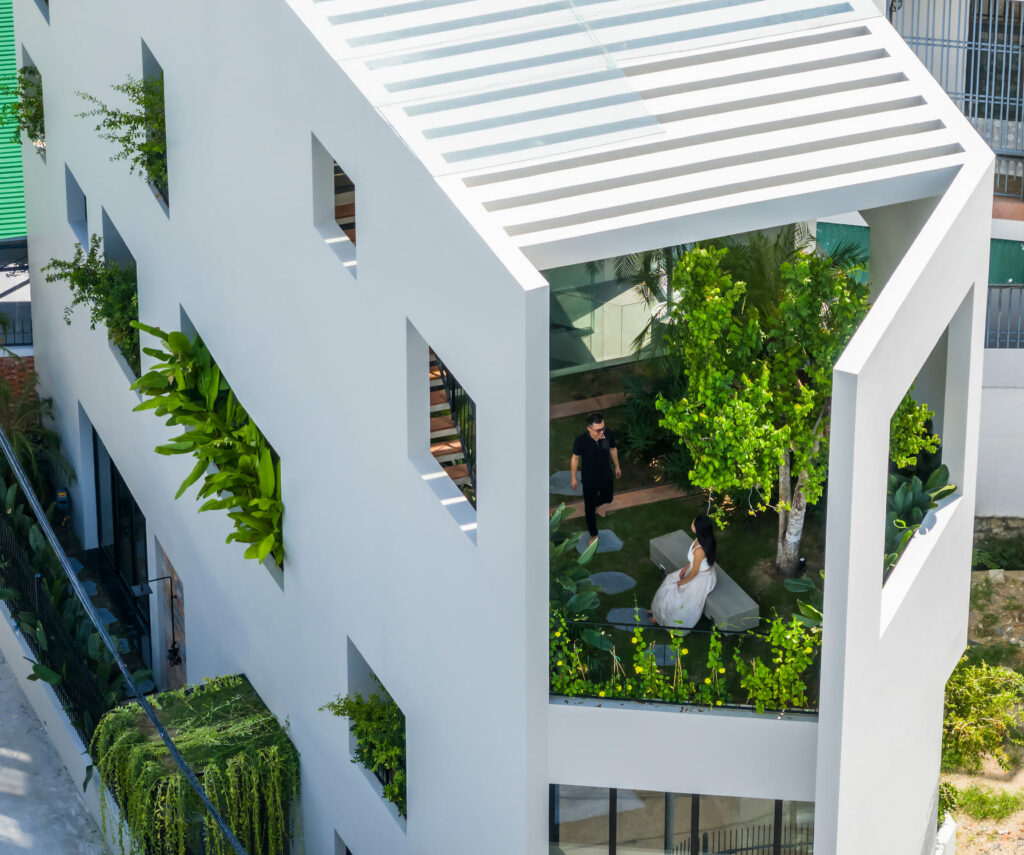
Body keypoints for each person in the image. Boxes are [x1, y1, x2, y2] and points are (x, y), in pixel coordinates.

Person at [649, 515, 717, 633]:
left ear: (698, 528)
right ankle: (657, 612)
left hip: (702, 578)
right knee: (670, 580)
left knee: (677, 595)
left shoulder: (700, 550)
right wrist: (685, 569)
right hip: (694, 570)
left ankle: (664, 620)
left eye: (693, 523)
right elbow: (692, 562)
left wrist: (683, 582)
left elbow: (695, 572)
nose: (691, 523)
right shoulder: (699, 539)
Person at [570, 412, 621, 545]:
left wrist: (617, 466)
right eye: (598, 430)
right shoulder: (581, 441)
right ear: (589, 429)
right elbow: (575, 458)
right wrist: (573, 478)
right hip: (589, 480)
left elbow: (613, 449)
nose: (602, 432)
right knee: (589, 510)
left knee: (608, 498)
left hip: (606, 475)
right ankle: (593, 534)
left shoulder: (608, 434)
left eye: (603, 428)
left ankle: (596, 506)